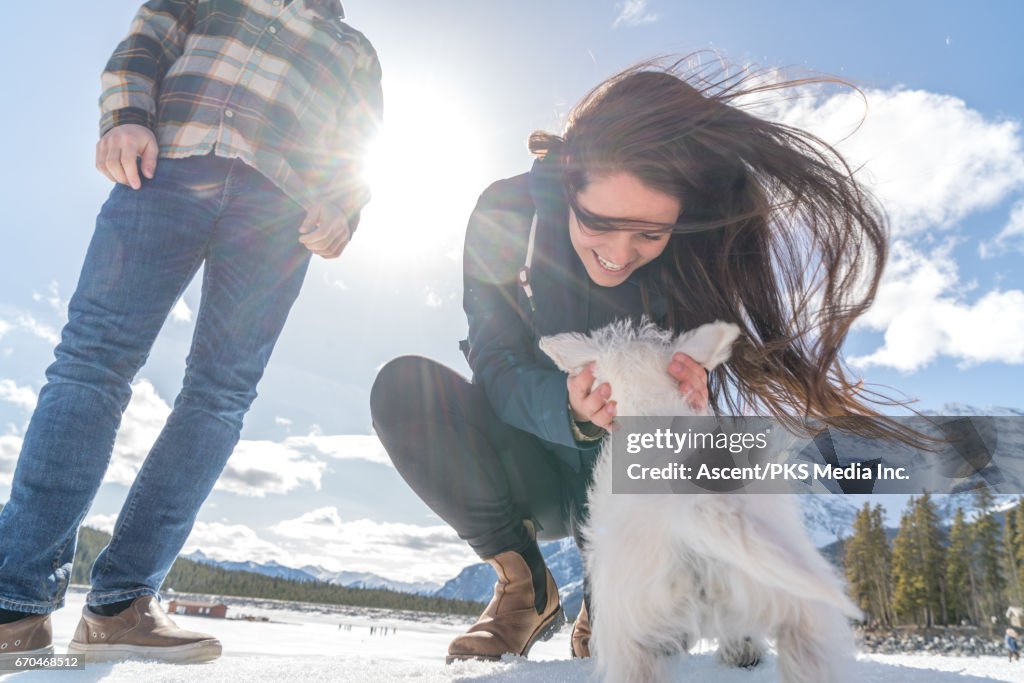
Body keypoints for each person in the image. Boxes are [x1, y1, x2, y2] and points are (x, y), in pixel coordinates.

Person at [370, 56, 920, 664]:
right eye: (599, 224)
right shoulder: (507, 214)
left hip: (637, 478)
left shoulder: (693, 255)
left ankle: (615, 597)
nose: (618, 254)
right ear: (568, 181)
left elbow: (704, 385)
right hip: (528, 455)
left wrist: (695, 379)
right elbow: (495, 359)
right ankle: (524, 588)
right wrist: (567, 407)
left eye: (648, 235)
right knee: (404, 389)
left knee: (644, 613)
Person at [0, 0, 381, 663]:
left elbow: (358, 143)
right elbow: (146, 42)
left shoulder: (354, 51)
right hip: (168, 166)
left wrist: (344, 206)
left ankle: (121, 604)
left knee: (221, 394)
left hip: (278, 213)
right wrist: (126, 115)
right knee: (93, 361)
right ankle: (15, 602)